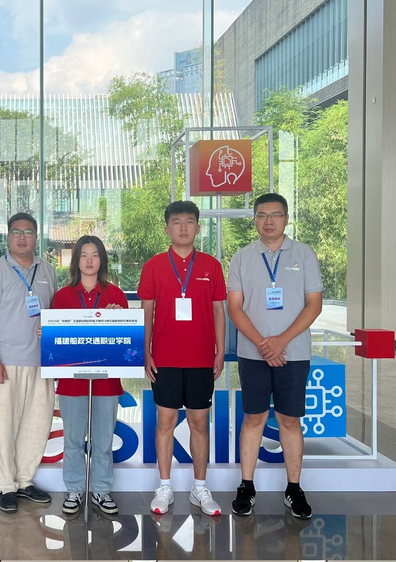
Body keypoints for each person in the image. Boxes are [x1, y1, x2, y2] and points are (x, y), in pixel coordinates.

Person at [227, 192, 323, 519]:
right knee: (254, 418)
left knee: (289, 420)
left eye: (276, 215)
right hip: (252, 354)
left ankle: (294, 488)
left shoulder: (304, 254)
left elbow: (314, 305)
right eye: (262, 215)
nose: (269, 221)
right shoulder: (242, 257)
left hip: (293, 353)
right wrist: (263, 343)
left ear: (286, 219)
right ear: (254, 219)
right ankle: (246, 486)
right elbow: (235, 308)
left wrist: (281, 341)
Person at [137, 201, 226, 516]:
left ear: (198, 228)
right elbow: (147, 312)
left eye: (189, 221)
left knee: (199, 423)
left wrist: (219, 351)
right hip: (165, 359)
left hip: (201, 359)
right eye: (177, 222)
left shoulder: (211, 266)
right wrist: (145, 351)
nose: (183, 227)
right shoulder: (154, 266)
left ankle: (200, 487)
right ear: (167, 229)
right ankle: (165, 487)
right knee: (165, 422)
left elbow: (218, 311)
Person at [0, 212, 57, 513]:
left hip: (40, 362)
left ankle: (25, 481)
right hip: (6, 362)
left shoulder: (47, 269)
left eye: (28, 232)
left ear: (36, 236)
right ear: (8, 236)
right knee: (4, 425)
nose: (22, 237)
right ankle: (7, 486)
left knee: (37, 424)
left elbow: (54, 314)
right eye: (16, 232)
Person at [53, 235, 128, 516]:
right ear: (76, 261)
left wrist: (118, 318)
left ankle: (100, 489)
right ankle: (74, 488)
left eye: (95, 255)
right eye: (84, 255)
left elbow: (127, 341)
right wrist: (46, 333)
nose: (89, 260)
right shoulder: (63, 296)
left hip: (107, 381)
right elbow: (55, 340)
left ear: (102, 260)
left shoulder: (116, 295)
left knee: (103, 440)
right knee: (73, 440)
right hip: (72, 382)